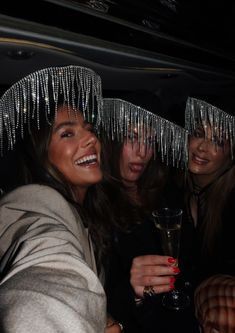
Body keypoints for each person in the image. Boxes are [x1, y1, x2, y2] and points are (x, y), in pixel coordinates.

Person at [0, 65, 122, 333]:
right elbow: (43, 284)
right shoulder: (35, 211)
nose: (91, 138)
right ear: (40, 154)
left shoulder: (93, 209)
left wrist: (106, 318)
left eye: (89, 129)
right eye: (68, 133)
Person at [131, 96, 235, 333]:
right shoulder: (171, 187)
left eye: (218, 140)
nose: (202, 147)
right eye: (198, 133)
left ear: (232, 153)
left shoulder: (231, 199)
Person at [99, 96, 194, 332]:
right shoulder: (97, 201)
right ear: (112, 139)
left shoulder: (166, 191)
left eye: (150, 140)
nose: (142, 152)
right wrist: (134, 292)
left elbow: (192, 255)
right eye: (132, 136)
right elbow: (99, 295)